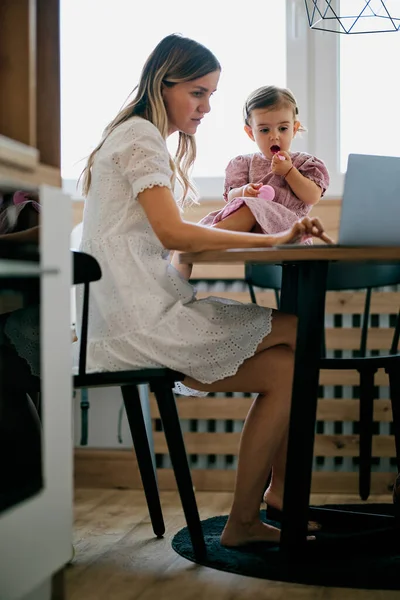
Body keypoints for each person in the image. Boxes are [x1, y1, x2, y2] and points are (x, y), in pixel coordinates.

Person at [75, 33, 332, 548]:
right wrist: (278, 234)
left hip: (132, 309)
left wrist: (187, 259)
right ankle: (277, 497)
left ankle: (250, 517)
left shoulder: (133, 137)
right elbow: (172, 233)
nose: (207, 107)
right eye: (198, 92)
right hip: (137, 319)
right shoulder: (140, 137)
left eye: (211, 94)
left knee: (288, 364)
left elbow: (157, 240)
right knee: (301, 335)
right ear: (162, 83)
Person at [198, 85, 329, 241]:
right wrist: (244, 192)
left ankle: (205, 239)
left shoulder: (303, 163)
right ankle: (201, 237)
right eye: (265, 130)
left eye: (283, 128)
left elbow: (312, 196)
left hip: (289, 232)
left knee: (251, 208)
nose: (274, 136)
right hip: (253, 236)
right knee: (231, 212)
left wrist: (289, 172)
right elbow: (231, 197)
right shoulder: (244, 164)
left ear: (294, 129)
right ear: (250, 132)